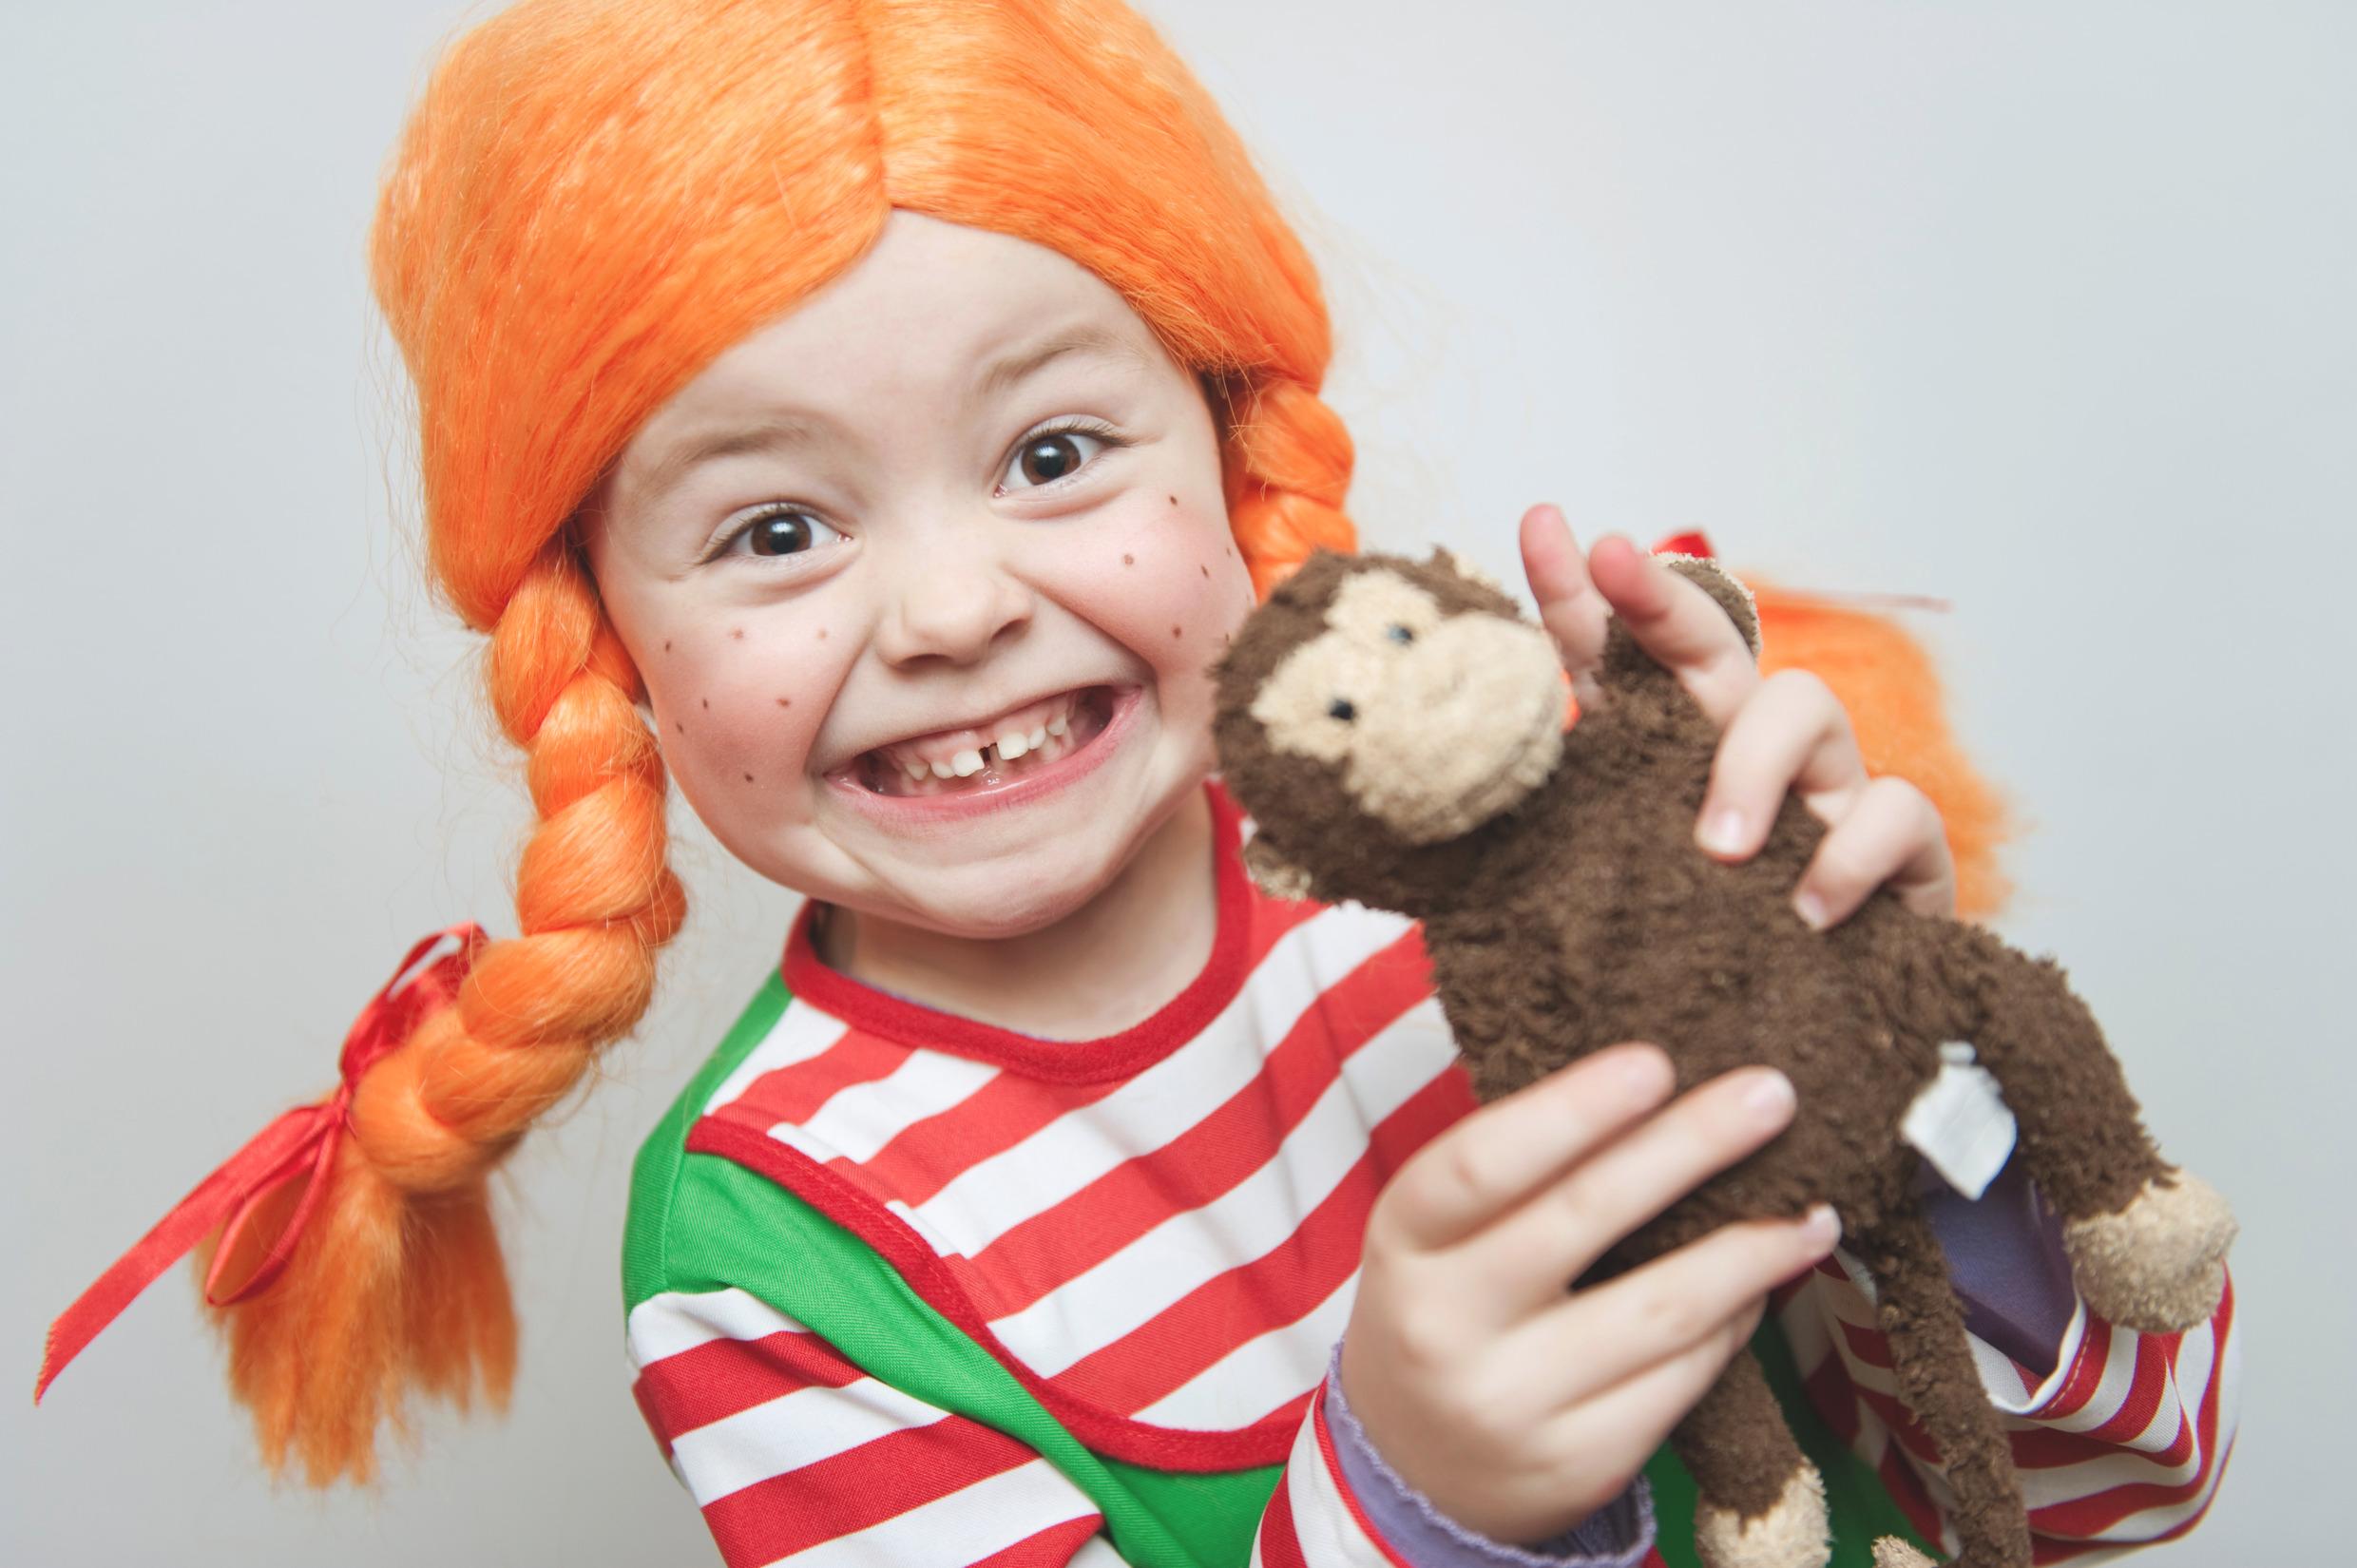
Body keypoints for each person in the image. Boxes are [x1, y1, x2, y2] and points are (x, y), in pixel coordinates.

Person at [39, 1, 2237, 1564]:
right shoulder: (773, 1260)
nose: (948, 608)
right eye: (777, 530)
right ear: (605, 650)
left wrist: (1897, 1055)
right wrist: (1408, 1497)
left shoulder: (1520, 870)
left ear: (1232, 458)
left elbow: (2112, 1493)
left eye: (1055, 452)